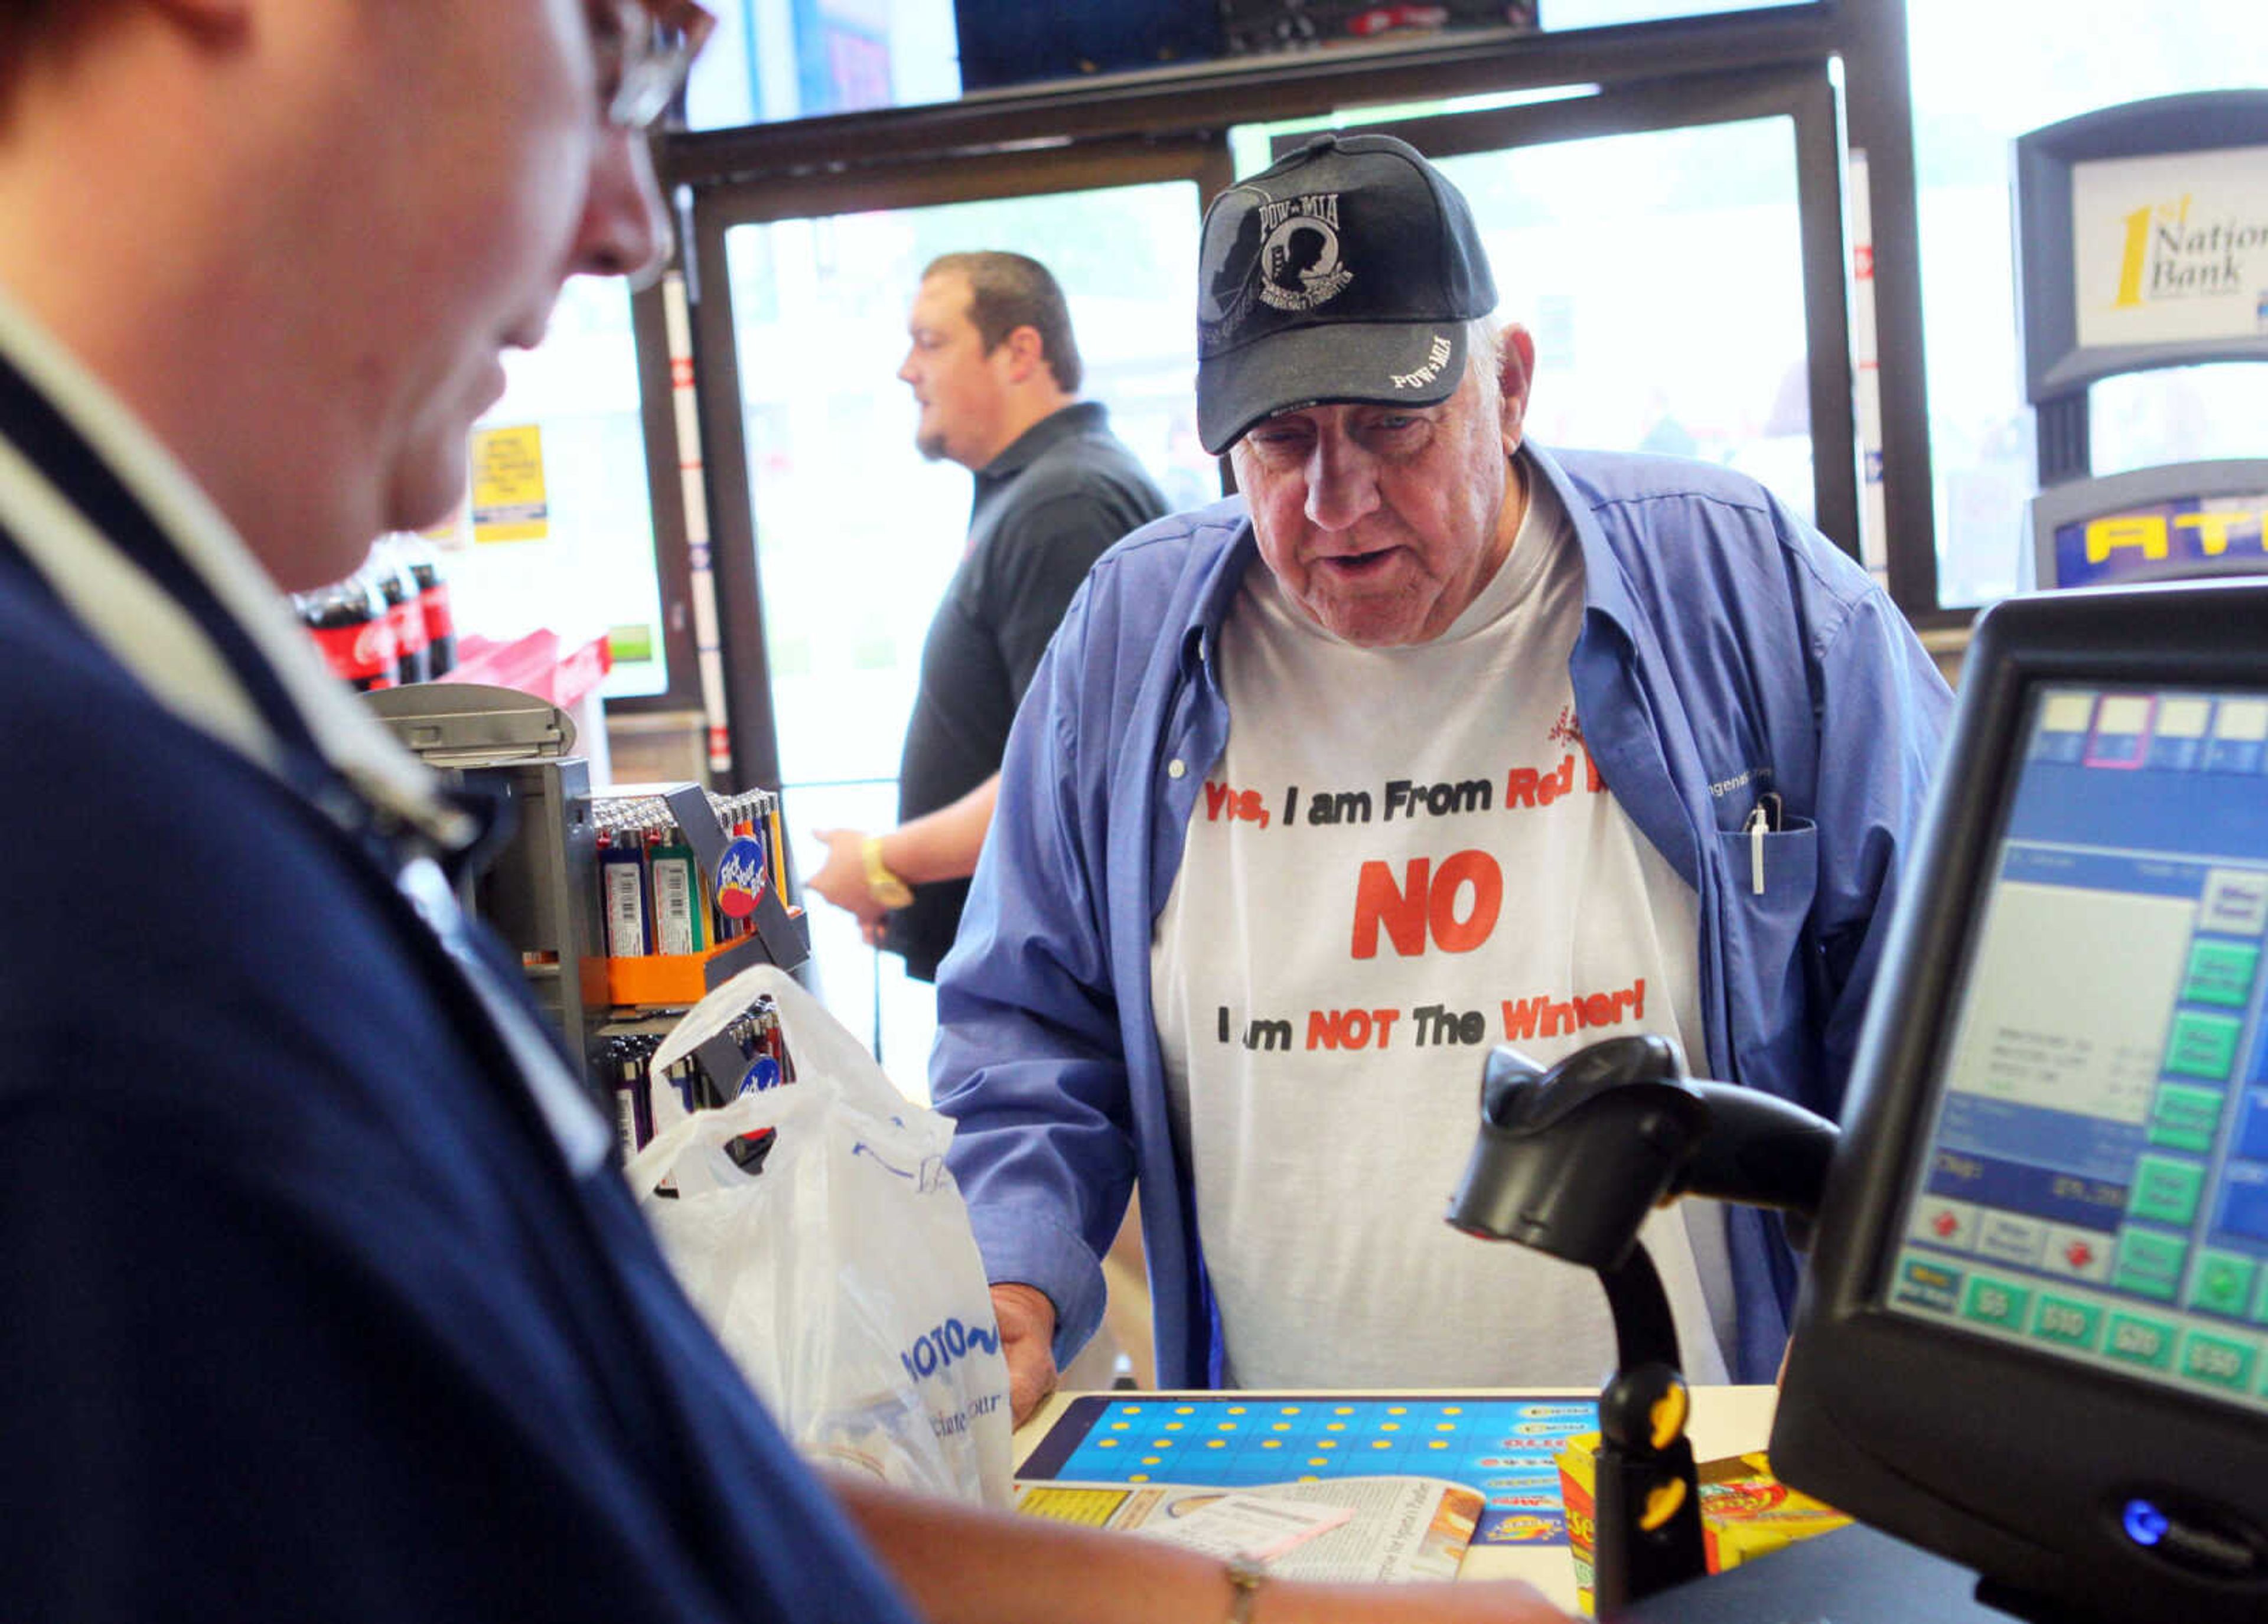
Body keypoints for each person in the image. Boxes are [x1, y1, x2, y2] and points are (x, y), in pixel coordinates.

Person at [0, 9, 1558, 1622]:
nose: (625, 217)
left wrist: (1253, 1610)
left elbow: (626, 1474)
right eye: (614, 51)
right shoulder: (81, 884)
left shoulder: (180, 748)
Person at [931, 133, 1955, 1426]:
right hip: (1289, 1494)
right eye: (1281, 438)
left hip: (1703, 1466)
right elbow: (1030, 1022)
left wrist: (1892, 1307)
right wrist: (1011, 1277)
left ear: (1510, 385)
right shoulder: (1129, 639)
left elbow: (1946, 992)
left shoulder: (1752, 595)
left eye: (1392, 425)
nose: (1336, 499)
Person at [806, 252, 1167, 983]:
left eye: (931, 343)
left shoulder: (1067, 506)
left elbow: (1067, 776)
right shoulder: (1042, 489)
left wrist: (884, 860)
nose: (908, 371)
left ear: (1020, 353)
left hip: (1053, 990)